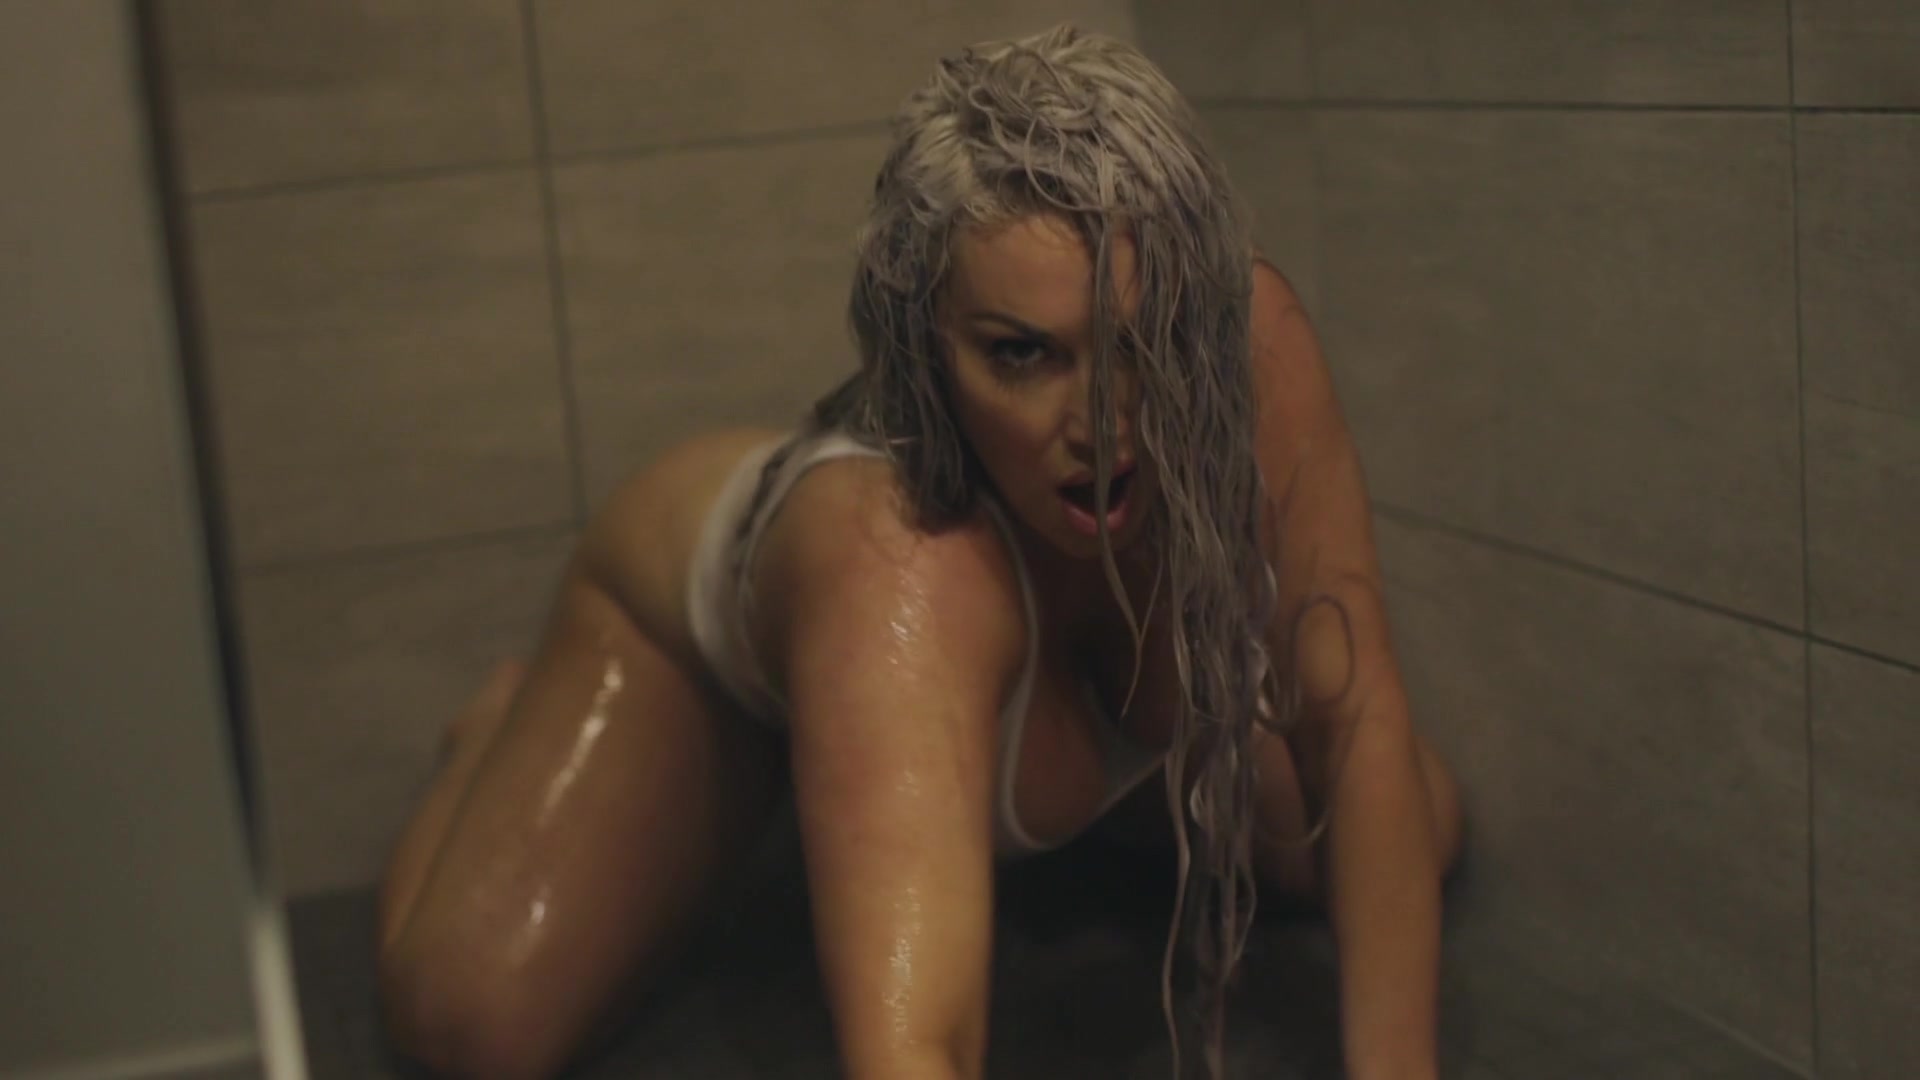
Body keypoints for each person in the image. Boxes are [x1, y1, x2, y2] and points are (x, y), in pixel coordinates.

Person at [373, 23, 1462, 1080]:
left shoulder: (1250, 344)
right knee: (471, 1023)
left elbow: (1354, 714)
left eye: (1144, 341)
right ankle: (498, 734)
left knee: (1412, 825)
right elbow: (911, 1051)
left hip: (997, 697)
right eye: (1021, 354)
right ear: (924, 350)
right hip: (705, 645)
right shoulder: (894, 571)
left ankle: (981, 788)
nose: (1103, 424)